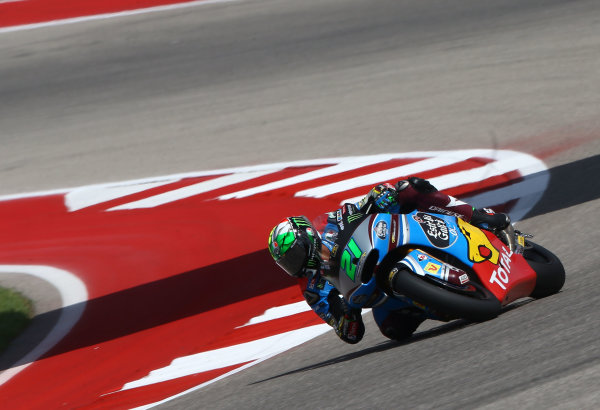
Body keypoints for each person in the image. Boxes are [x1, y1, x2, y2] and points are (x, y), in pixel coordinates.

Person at [267, 177, 509, 344]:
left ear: (307, 238)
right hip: (379, 288)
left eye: (294, 256)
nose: (294, 265)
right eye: (287, 263)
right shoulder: (311, 289)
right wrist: (347, 312)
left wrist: (377, 196)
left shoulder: (329, 223)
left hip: (390, 239)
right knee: (393, 329)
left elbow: (361, 205)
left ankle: (477, 215)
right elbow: (349, 333)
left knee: (409, 188)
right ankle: (442, 300)